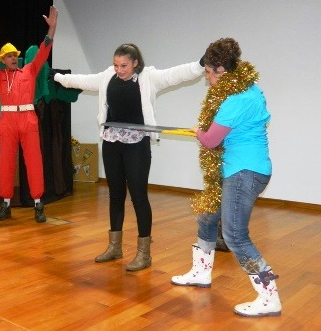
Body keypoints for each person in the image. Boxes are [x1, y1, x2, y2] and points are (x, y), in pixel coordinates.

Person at [52, 44, 204, 271]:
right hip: (112, 142)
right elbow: (83, 81)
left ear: (135, 63)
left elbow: (176, 75)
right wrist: (58, 77)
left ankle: (144, 254)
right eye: (116, 65)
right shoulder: (107, 77)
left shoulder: (149, 78)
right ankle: (115, 247)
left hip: (136, 144)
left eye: (124, 65)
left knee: (138, 197)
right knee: (115, 195)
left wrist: (199, 65)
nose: (119, 70)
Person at [171, 38, 281, 317]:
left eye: (208, 72)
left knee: (234, 235)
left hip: (244, 171)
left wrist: (198, 131)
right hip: (242, 168)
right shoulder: (250, 89)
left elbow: (210, 140)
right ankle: (201, 272)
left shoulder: (235, 100)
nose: (207, 78)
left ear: (221, 71)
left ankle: (269, 295)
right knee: (208, 216)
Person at [0, 6, 58, 223]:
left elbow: (43, 51)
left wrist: (51, 29)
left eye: (15, 55)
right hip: (7, 121)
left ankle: (38, 204)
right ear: (3, 60)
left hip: (28, 119)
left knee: (34, 161)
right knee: (5, 163)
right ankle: (5, 204)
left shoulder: (30, 71)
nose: (13, 58)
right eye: (9, 56)